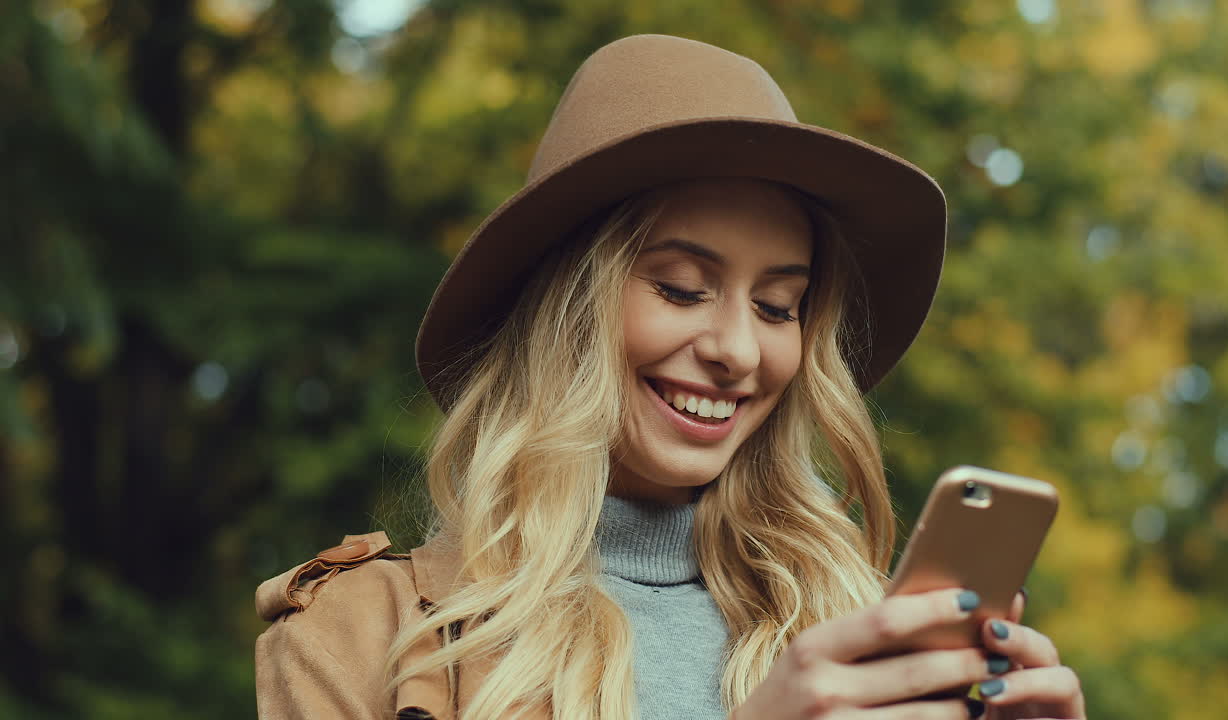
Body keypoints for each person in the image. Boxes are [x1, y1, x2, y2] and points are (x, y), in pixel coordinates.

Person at [254, 34, 1086, 720]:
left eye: (777, 307)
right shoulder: (360, 635)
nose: (740, 351)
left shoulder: (870, 648)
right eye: (682, 288)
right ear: (565, 309)